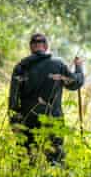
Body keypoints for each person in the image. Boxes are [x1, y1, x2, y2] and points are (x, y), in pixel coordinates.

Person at [8, 33, 84, 164]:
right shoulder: (58, 65)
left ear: (31, 47)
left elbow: (13, 99)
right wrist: (78, 67)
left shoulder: (21, 67)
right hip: (52, 118)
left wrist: (14, 122)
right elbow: (75, 83)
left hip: (27, 120)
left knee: (26, 160)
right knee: (56, 160)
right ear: (46, 46)